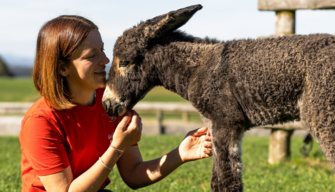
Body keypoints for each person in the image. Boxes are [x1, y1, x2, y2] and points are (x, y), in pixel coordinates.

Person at [19, 15, 212, 192]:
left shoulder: (110, 102)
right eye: (90, 55)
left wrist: (180, 154)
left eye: (102, 50)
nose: (106, 60)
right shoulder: (41, 121)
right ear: (62, 68)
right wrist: (116, 148)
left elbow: (134, 173)